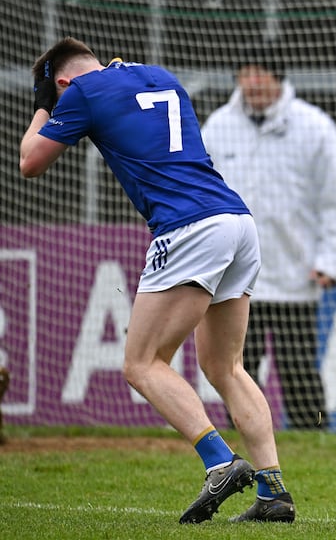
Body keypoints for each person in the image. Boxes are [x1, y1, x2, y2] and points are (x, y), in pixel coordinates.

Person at [19, 37, 295, 524]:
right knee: (225, 367)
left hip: (188, 228)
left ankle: (220, 462)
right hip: (236, 220)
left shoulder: (79, 92)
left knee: (141, 363)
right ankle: (274, 494)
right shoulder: (158, 75)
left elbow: (30, 162)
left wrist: (46, 108)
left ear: (64, 82)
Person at [202, 49, 336, 430]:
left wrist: (330, 261)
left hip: (295, 277)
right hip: (235, 281)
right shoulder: (217, 126)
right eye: (246, 73)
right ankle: (238, 446)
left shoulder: (315, 126)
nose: (253, 83)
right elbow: (201, 194)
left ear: (278, 78)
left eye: (262, 74)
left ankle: (315, 439)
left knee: (299, 370)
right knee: (234, 369)